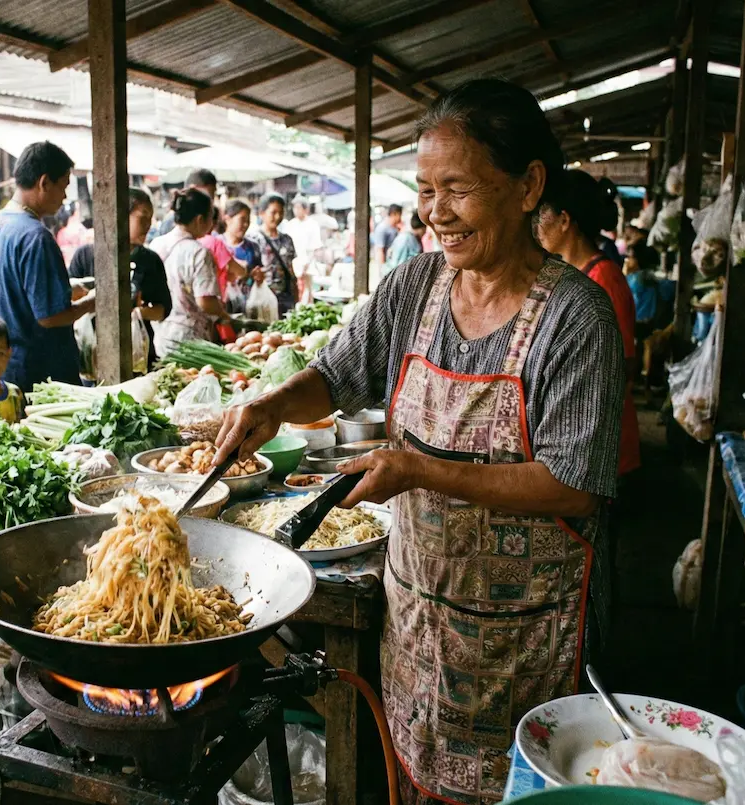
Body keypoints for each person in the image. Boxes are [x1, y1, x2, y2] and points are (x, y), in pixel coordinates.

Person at [215, 78, 625, 805]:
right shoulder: (417, 287)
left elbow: (575, 481)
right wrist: (273, 403)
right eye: (427, 189)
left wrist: (420, 470)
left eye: (458, 189)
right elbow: (338, 375)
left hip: (524, 643)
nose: (436, 212)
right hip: (418, 624)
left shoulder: (577, 316)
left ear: (528, 185)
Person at [536, 169, 640, 478]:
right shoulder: (572, 274)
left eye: (543, 213)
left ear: (564, 220)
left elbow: (625, 367)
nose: (537, 224)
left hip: (603, 446)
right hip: (580, 439)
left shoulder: (603, 279)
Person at [0, 142, 95, 393]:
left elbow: (16, 290)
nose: (64, 197)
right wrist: (92, 302)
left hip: (4, 365)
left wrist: (68, 288)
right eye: (63, 186)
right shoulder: (35, 236)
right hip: (40, 372)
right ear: (44, 183)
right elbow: (49, 317)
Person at [68, 187, 171, 368]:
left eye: (150, 218)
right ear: (121, 215)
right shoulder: (85, 256)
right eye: (143, 216)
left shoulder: (150, 261)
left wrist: (136, 313)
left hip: (138, 357)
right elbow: (68, 299)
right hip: (92, 357)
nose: (149, 224)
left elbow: (163, 309)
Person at [149, 188, 227, 356]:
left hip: (162, 334)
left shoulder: (156, 244)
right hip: (190, 340)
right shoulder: (198, 252)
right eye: (210, 218)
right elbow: (205, 301)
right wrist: (223, 313)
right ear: (200, 220)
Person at [251, 193, 298, 316]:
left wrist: (295, 296)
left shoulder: (287, 240)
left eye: (281, 212)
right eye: (273, 212)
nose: (278, 217)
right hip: (264, 298)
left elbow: (290, 269)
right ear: (262, 213)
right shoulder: (253, 239)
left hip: (286, 297)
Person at [219, 199, 264, 314]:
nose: (245, 225)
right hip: (222, 307)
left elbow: (259, 273)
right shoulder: (218, 245)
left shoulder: (253, 247)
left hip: (249, 307)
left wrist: (259, 276)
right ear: (227, 219)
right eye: (242, 220)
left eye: (248, 221)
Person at [199, 205, 249, 305]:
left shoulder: (190, 242)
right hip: (214, 302)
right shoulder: (215, 243)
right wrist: (244, 267)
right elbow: (238, 270)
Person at [156, 169, 217, 238]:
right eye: (207, 195)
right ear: (192, 188)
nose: (211, 201)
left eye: (212, 196)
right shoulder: (172, 222)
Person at [624, 243, 660, 346]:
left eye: (629, 257)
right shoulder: (644, 275)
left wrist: (625, 273)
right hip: (644, 321)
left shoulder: (639, 277)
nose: (627, 260)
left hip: (639, 323)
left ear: (637, 260)